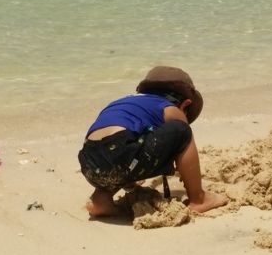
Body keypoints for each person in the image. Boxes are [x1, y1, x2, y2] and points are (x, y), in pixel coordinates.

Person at [78, 65, 229, 218]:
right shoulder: (170, 108)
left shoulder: (127, 103)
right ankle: (199, 199)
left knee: (118, 158)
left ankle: (100, 201)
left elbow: (113, 146)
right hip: (122, 152)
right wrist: (187, 172)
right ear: (186, 104)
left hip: (89, 162)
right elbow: (179, 135)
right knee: (182, 131)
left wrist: (131, 181)